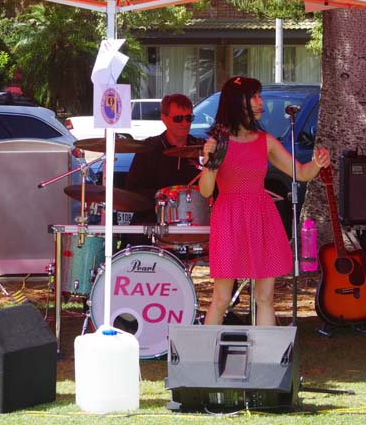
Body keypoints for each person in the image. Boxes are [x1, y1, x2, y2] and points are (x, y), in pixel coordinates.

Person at [199, 76, 329, 326]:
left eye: (259, 96)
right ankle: (205, 350)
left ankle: (265, 350)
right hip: (228, 218)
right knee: (222, 298)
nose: (260, 102)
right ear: (237, 102)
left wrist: (317, 163)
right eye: (255, 96)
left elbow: (301, 173)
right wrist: (210, 161)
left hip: (261, 216)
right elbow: (205, 191)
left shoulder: (265, 141)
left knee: (265, 297)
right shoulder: (219, 142)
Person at [123, 94, 205, 243]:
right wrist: (163, 197)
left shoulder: (202, 149)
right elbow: (132, 191)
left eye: (189, 118)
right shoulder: (148, 149)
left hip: (195, 225)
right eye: (178, 118)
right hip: (153, 223)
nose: (184, 123)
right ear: (164, 118)